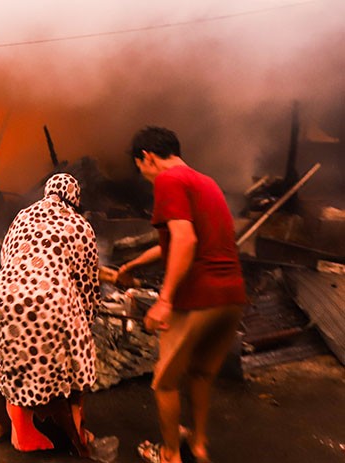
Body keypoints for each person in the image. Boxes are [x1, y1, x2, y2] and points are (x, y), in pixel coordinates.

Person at [117, 126, 247, 463]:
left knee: (164, 383)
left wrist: (164, 300)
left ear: (146, 157)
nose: (144, 176)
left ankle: (170, 453)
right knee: (201, 373)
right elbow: (179, 242)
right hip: (231, 296)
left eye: (140, 168)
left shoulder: (168, 181)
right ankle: (199, 443)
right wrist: (132, 264)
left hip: (197, 298)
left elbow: (186, 241)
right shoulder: (206, 182)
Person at [0, 173, 100, 457]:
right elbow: (87, 282)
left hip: (3, 292)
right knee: (73, 366)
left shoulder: (22, 215)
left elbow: (5, 257)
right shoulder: (80, 225)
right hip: (52, 298)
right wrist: (86, 318)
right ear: (74, 198)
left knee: (10, 360)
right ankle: (76, 435)